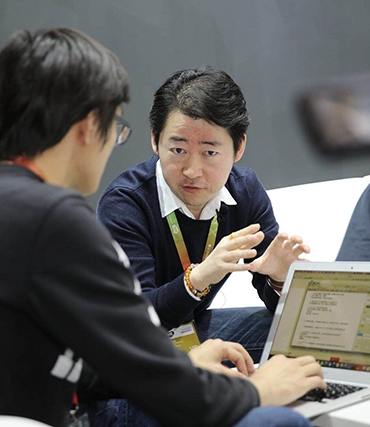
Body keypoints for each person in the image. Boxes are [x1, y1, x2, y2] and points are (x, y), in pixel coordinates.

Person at [0, 29, 325, 427]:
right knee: (278, 419)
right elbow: (171, 390)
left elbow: (73, 359)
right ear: (90, 127)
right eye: (116, 126)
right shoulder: (55, 220)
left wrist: (180, 363)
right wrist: (259, 388)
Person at [97, 66, 310, 363]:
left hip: (189, 332)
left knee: (296, 336)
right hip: (129, 349)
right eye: (178, 150)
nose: (192, 171)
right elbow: (137, 320)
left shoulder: (245, 191)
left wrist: (279, 278)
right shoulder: (126, 203)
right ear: (155, 140)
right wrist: (198, 277)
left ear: (239, 147)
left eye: (210, 153)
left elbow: (283, 311)